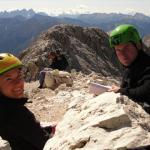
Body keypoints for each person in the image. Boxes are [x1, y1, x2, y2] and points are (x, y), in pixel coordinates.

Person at [0, 53, 56, 150]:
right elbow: (45, 142)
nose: (18, 83)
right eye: (9, 79)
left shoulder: (4, 108)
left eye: (19, 76)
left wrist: (49, 129)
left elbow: (27, 132)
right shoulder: (16, 113)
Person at [109, 24, 150, 114]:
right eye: (118, 50)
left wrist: (121, 91)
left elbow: (146, 92)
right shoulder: (130, 69)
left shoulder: (147, 66)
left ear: (138, 45)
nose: (123, 54)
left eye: (126, 48)